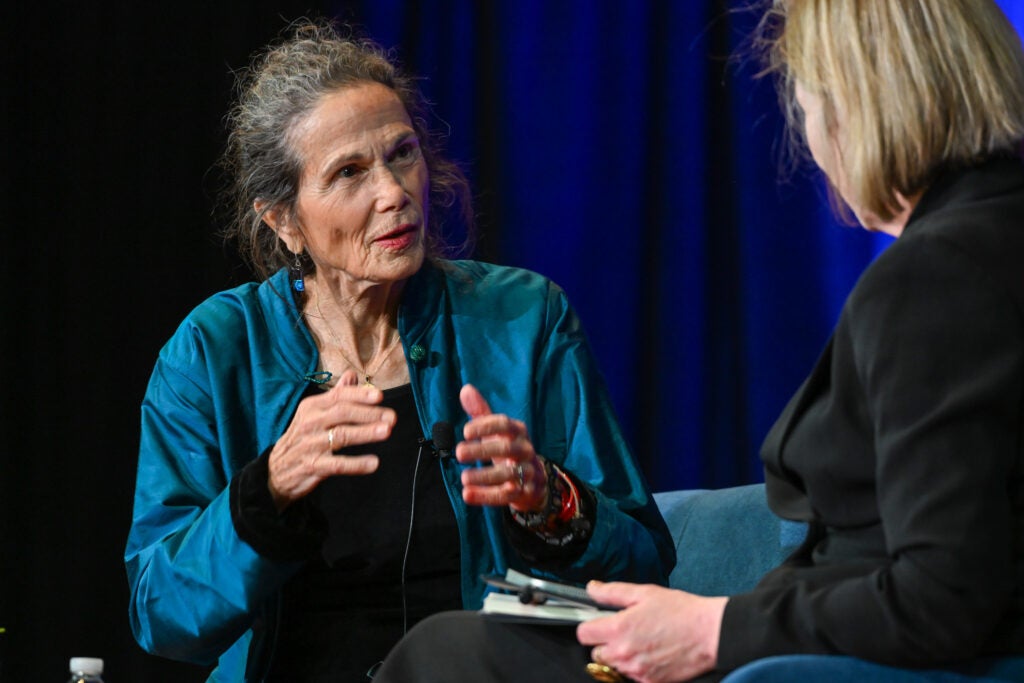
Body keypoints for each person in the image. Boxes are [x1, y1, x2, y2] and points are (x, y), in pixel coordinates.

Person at [372, 0, 1024, 681]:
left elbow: (943, 595)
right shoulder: (991, 237)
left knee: (448, 653)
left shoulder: (933, 277)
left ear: (853, 107)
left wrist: (711, 629)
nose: (810, 145)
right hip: (798, 630)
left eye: (803, 109)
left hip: (821, 658)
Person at [123, 20, 674, 682]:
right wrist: (265, 492)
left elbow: (646, 563)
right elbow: (161, 615)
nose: (393, 192)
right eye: (349, 172)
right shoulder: (214, 351)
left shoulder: (523, 319)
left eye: (402, 153)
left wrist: (550, 499)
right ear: (284, 220)